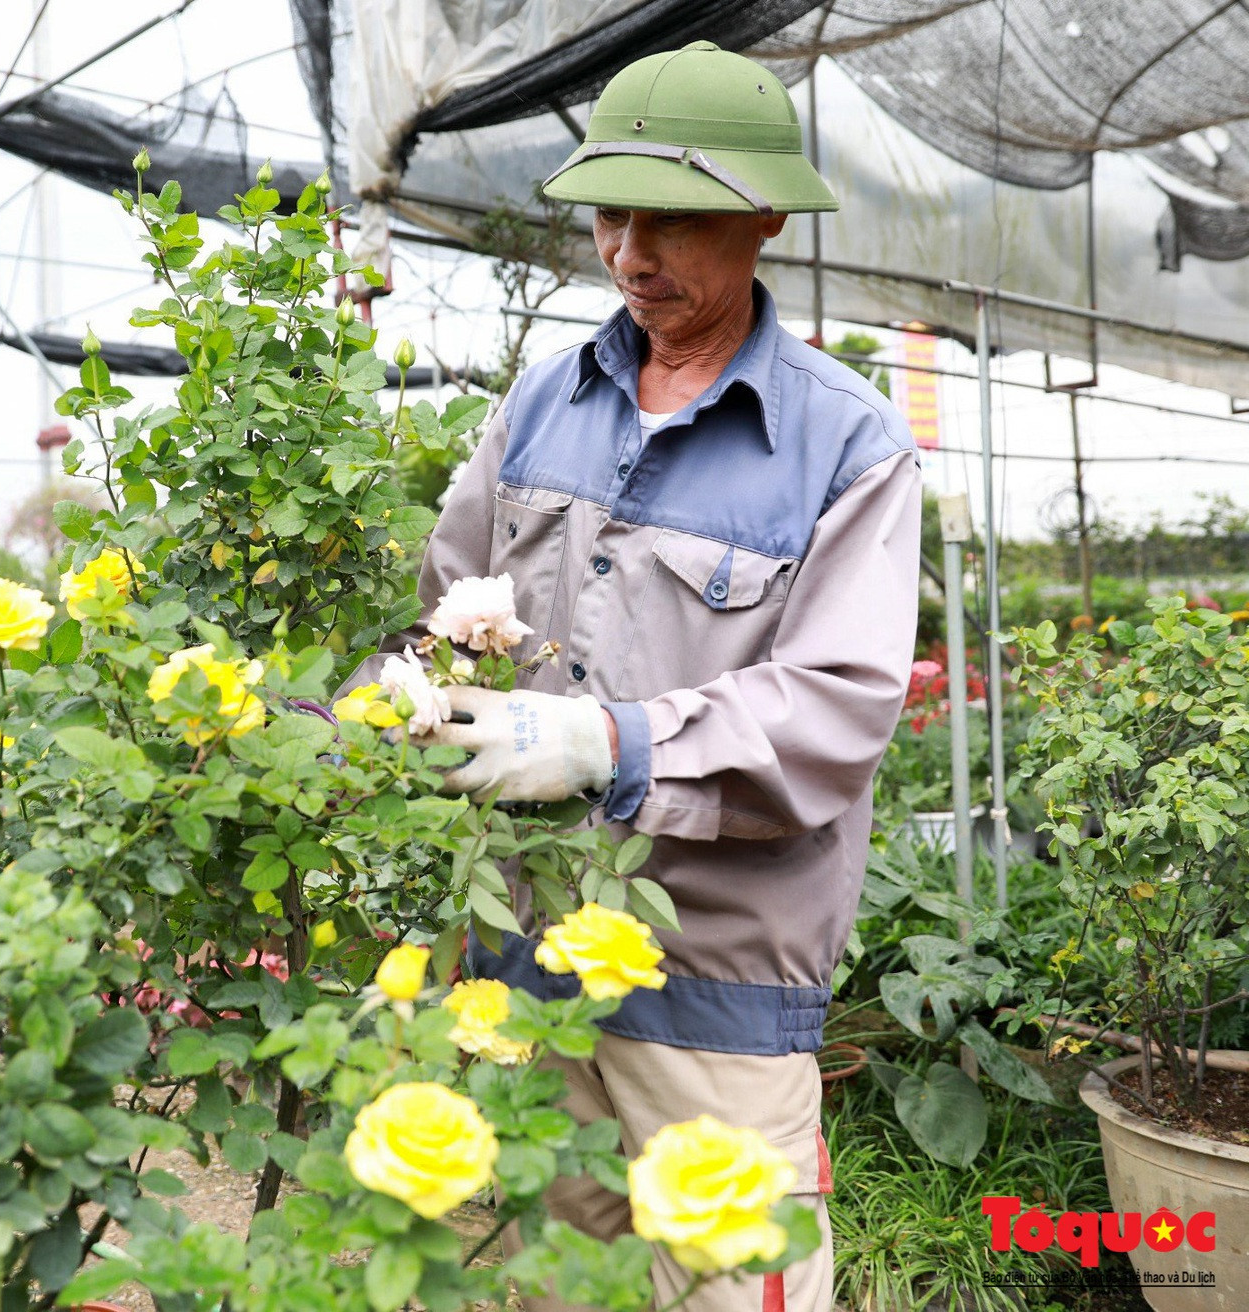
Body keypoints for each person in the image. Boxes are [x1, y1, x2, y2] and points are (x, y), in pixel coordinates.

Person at [338, 40, 921, 1312]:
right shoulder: (544, 404)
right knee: (559, 1284)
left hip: (706, 979)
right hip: (523, 963)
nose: (630, 254)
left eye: (673, 220)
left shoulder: (843, 443)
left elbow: (833, 708)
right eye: (610, 214)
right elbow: (443, 614)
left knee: (727, 1290)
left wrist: (605, 742)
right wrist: (380, 704)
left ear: (763, 218)